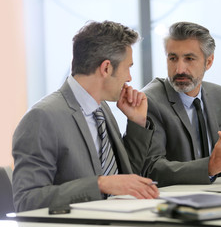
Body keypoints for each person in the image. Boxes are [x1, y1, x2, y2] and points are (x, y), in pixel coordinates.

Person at [12, 20, 159, 212]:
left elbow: (124, 179)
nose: (129, 78)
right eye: (128, 67)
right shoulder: (42, 117)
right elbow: (26, 200)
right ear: (106, 68)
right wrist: (99, 184)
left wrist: (137, 122)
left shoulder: (102, 109)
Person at [133, 21, 221, 187]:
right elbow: (152, 168)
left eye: (189, 59)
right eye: (173, 58)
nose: (179, 69)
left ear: (209, 62)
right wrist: (209, 167)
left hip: (218, 195)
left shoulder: (219, 95)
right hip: (176, 201)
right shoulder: (149, 101)